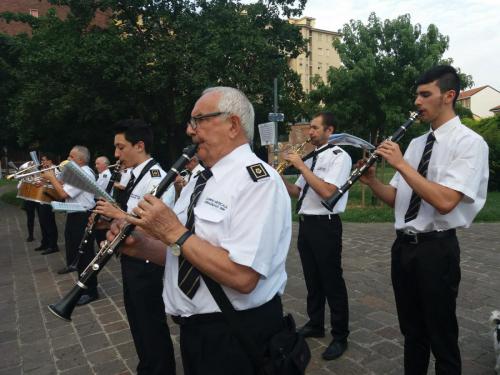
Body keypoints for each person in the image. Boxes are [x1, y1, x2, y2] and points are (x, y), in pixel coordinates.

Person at [107, 87, 292, 375]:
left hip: (235, 332)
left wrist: (172, 231)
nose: (189, 130)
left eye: (198, 120)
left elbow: (243, 277)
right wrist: (139, 246)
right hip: (196, 331)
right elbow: (184, 253)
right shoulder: (198, 178)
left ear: (232, 125)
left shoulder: (258, 182)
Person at [358, 65, 489, 374]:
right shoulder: (417, 144)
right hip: (403, 248)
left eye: (425, 94)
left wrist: (402, 165)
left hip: (437, 250)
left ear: (449, 96)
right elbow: (398, 200)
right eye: (416, 95)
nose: (417, 102)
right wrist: (373, 182)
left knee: (442, 336)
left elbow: (445, 201)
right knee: (412, 333)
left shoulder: (469, 143)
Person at [94, 119, 176, 375]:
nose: (116, 154)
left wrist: (115, 213)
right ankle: (148, 366)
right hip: (133, 256)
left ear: (139, 146)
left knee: (150, 322)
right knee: (137, 321)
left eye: (121, 147)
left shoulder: (156, 177)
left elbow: (151, 224)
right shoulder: (132, 174)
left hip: (149, 260)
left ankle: (161, 369)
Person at [281, 111, 352, 360]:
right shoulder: (312, 158)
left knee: (332, 280)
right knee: (312, 278)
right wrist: (277, 176)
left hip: (326, 225)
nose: (309, 132)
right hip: (307, 224)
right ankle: (315, 323)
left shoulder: (339, 157)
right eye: (310, 128)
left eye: (314, 128)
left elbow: (327, 191)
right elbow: (297, 190)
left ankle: (340, 334)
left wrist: (300, 164)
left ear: (329, 130)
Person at [42, 145, 98, 305]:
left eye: (71, 157)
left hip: (82, 216)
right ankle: (83, 286)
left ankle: (91, 291)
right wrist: (50, 180)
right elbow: (61, 188)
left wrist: (52, 177)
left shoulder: (82, 173)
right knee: (77, 253)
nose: (68, 159)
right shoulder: (76, 173)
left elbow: (63, 193)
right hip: (75, 215)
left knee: (85, 254)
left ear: (80, 159)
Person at [35, 152, 59, 254]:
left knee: (49, 223)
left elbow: (57, 182)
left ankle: (53, 245)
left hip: (49, 199)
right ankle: (45, 243)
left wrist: (44, 182)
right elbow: (40, 180)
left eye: (44, 160)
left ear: (50, 161)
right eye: (42, 160)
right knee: (42, 222)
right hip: (41, 198)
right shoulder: (43, 169)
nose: (42, 162)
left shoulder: (55, 169)